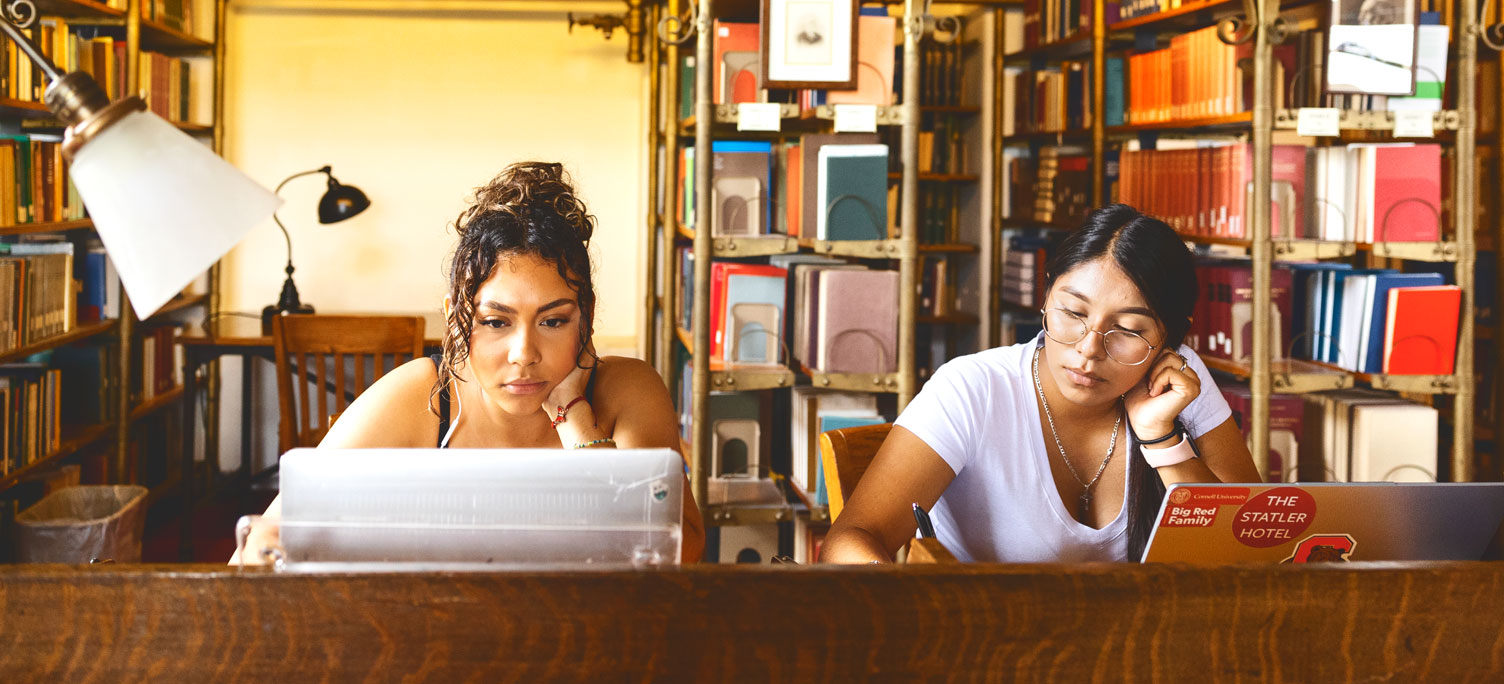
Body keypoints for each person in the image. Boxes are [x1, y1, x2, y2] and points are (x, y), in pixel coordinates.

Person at [233, 161, 704, 564]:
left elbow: (683, 549)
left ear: (587, 317)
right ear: (457, 321)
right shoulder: (423, 394)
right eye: (496, 323)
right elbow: (262, 540)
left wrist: (573, 416)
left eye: (554, 321)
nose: (525, 353)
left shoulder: (627, 388)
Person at [820, 204, 1258, 564]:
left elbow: (1250, 552)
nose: (1089, 349)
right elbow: (849, 540)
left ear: (1170, 339)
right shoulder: (974, 388)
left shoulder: (1180, 382)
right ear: (1046, 296)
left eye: (1127, 330)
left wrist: (1163, 440)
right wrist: (913, 608)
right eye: (1073, 313)